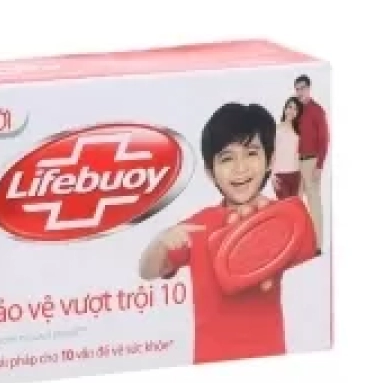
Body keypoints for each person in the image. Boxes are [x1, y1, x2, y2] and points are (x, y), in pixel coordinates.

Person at [138, 102, 314, 364]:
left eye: (251, 153)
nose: (240, 168)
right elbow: (147, 271)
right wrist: (160, 241)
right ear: (211, 173)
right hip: (211, 361)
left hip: (270, 359)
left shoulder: (281, 218)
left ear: (270, 160)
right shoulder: (199, 225)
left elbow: (317, 242)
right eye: (227, 158)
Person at [294, 74, 329, 254]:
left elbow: (324, 140)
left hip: (311, 162)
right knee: (296, 203)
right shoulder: (297, 111)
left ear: (309, 89)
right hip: (296, 162)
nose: (300, 92)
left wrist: (319, 166)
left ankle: (317, 245)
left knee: (314, 203)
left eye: (302, 88)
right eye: (297, 89)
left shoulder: (317, 110)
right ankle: (299, 244)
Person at [271, 96, 304, 199]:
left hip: (296, 175)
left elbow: (299, 155)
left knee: (294, 206)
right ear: (285, 109)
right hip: (281, 176)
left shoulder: (298, 132)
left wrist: (302, 179)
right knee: (286, 205)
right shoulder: (276, 129)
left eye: (295, 109)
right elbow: (272, 153)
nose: (292, 111)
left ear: (298, 113)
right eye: (290, 107)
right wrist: (272, 175)